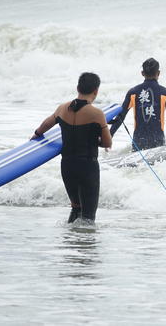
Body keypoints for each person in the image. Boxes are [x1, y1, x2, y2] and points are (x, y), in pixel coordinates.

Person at [31, 72, 112, 223]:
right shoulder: (97, 113)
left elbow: (46, 124)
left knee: (76, 207)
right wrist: (98, 138)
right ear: (96, 91)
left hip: (67, 166)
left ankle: (71, 240)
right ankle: (85, 244)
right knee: (88, 217)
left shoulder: (62, 108)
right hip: (87, 167)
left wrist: (37, 133)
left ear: (77, 88)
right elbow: (108, 143)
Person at [110, 58, 166, 150]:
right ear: (158, 73)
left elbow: (121, 116)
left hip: (138, 141)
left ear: (142, 73)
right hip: (158, 141)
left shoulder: (133, 93)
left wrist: (109, 136)